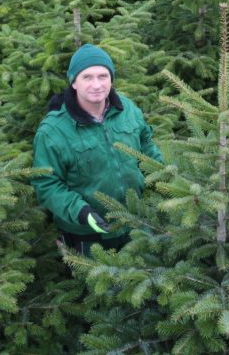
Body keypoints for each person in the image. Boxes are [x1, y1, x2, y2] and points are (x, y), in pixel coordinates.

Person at [31, 43, 162, 255]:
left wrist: (163, 175)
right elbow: (46, 183)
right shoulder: (53, 130)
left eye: (103, 76)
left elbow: (146, 144)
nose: (96, 84)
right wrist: (81, 212)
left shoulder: (127, 109)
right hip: (87, 235)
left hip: (136, 222)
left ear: (111, 79)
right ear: (73, 82)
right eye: (87, 77)